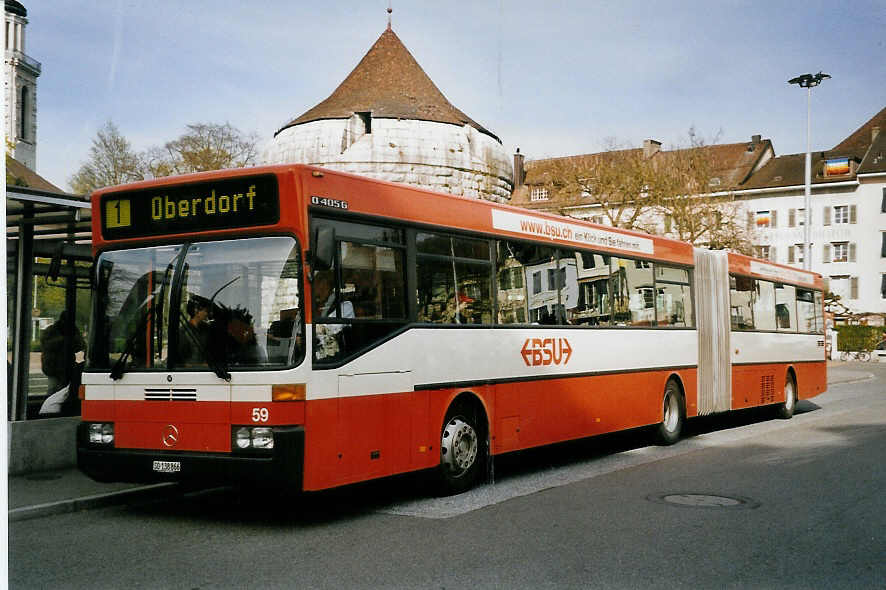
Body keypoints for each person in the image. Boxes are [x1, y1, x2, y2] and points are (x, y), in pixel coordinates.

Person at [40, 310, 85, 396]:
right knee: (54, 392)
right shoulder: (53, 331)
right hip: (55, 370)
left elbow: (80, 348)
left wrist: (79, 364)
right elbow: (47, 345)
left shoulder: (73, 332)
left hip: (64, 370)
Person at [312, 272, 354, 359]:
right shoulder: (321, 305)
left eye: (314, 286)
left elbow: (331, 328)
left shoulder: (345, 305)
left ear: (325, 285)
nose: (313, 291)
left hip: (338, 357)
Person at [179, 297, 212, 365]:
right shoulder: (183, 332)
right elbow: (180, 360)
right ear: (196, 311)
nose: (207, 314)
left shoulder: (208, 329)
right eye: (206, 311)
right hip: (191, 372)